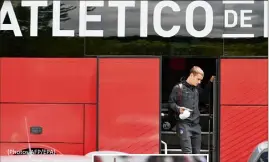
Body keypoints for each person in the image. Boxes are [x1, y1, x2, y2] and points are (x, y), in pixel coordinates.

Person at [168, 66, 214, 154]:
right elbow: (171, 103)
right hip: (184, 124)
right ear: (192, 75)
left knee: (197, 153)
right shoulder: (178, 88)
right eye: (198, 79)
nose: (199, 82)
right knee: (187, 153)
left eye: (200, 80)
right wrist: (178, 109)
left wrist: (210, 83)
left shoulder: (197, 89)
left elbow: (204, 97)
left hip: (196, 125)